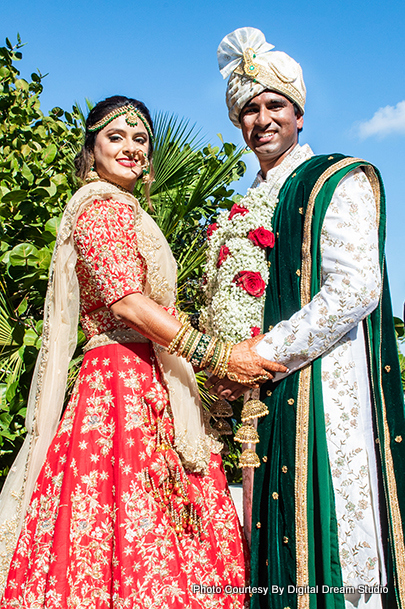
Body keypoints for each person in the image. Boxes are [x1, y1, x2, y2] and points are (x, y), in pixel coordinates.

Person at [0, 95, 286, 608]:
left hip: (147, 374)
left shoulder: (127, 209)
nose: (131, 148)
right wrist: (216, 355)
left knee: (162, 516)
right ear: (91, 151)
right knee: (132, 514)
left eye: (140, 139)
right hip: (118, 386)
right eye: (116, 137)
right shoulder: (100, 208)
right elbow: (127, 301)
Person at [205, 27, 405, 609]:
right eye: (249, 110)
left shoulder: (335, 180)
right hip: (262, 392)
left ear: (299, 115)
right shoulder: (245, 202)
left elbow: (354, 290)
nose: (261, 119)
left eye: (274, 106)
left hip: (326, 382)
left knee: (331, 526)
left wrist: (260, 352)